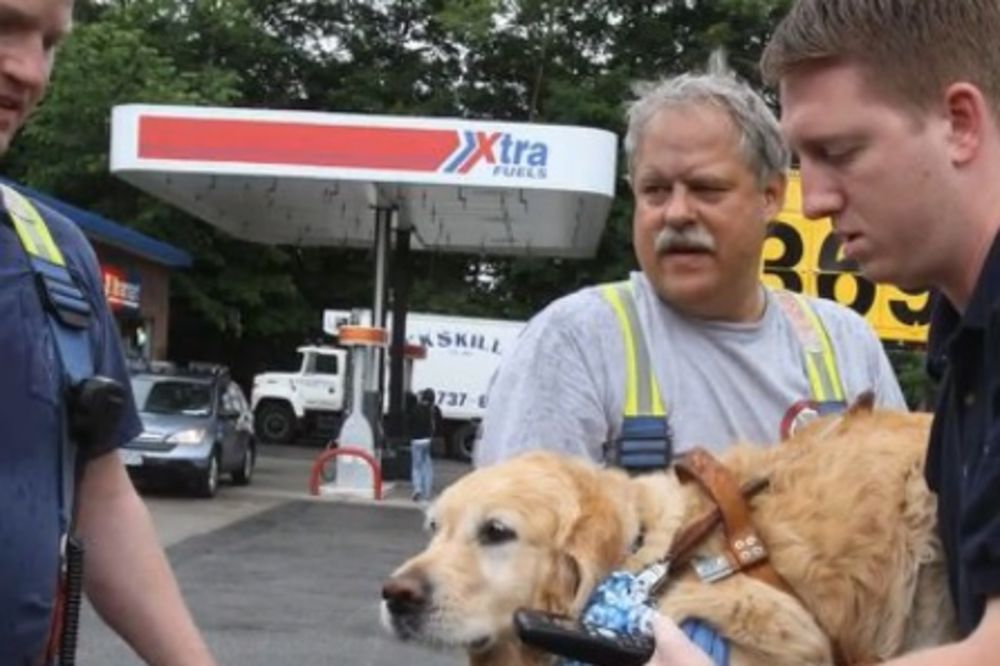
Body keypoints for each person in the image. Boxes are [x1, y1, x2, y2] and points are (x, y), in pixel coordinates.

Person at [648, 1, 1000, 664]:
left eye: (839, 153)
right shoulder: (965, 345)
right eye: (803, 161)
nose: (814, 201)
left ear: (959, 123)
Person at [475, 54, 906, 472]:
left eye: (705, 188)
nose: (677, 213)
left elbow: (906, 524)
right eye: (656, 190)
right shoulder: (574, 342)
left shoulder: (847, 344)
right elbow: (512, 537)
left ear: (771, 196)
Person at [0, 1, 216, 664]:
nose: (30, 70)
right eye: (4, 27)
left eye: (48, 43)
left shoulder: (53, 258)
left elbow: (101, 493)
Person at [407, 388, 438, 501]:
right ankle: (427, 491)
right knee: (427, 466)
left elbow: (409, 423)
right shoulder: (433, 410)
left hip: (416, 441)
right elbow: (438, 423)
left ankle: (417, 488)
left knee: (416, 466)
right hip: (427, 441)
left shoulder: (415, 409)